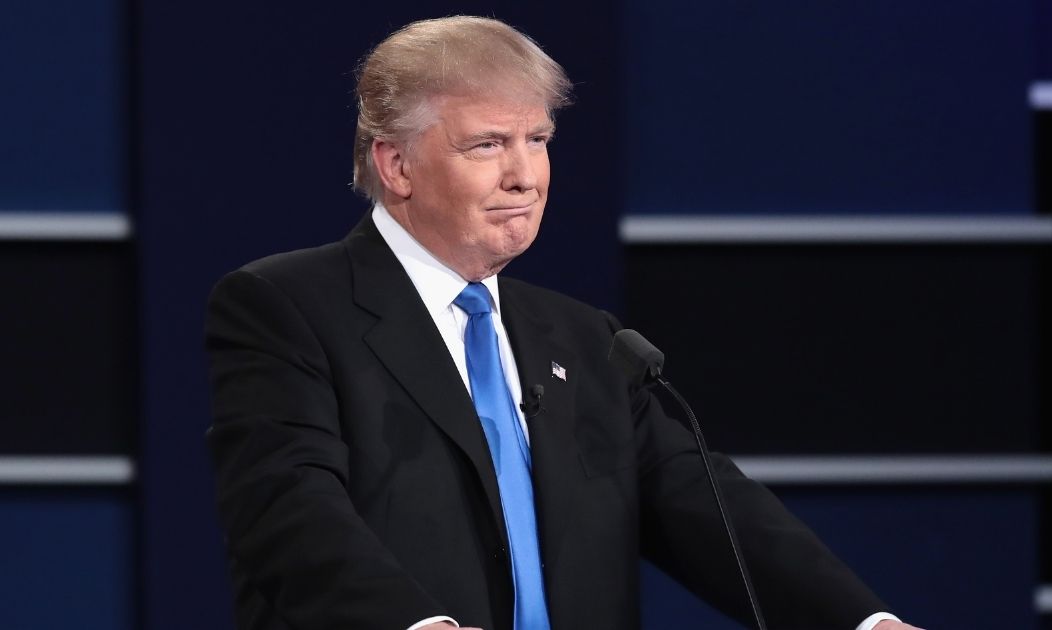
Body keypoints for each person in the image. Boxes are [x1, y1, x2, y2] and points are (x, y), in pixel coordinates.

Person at [205, 15, 923, 630]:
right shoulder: (287, 306)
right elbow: (288, 507)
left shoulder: (584, 340)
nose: (526, 175)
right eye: (487, 145)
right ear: (396, 165)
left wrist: (863, 621)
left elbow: (702, 504)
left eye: (537, 140)